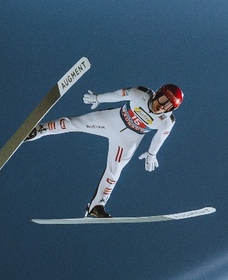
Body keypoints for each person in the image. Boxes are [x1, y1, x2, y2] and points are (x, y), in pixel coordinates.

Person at [24, 84, 183, 217]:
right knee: (74, 123)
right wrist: (97, 98)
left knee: (114, 171)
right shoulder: (140, 93)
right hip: (111, 121)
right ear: (158, 93)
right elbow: (117, 95)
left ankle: (96, 206)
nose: (162, 106)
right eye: (163, 100)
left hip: (127, 140)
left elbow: (160, 138)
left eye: (169, 106)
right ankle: (39, 130)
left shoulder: (167, 121)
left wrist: (152, 153)